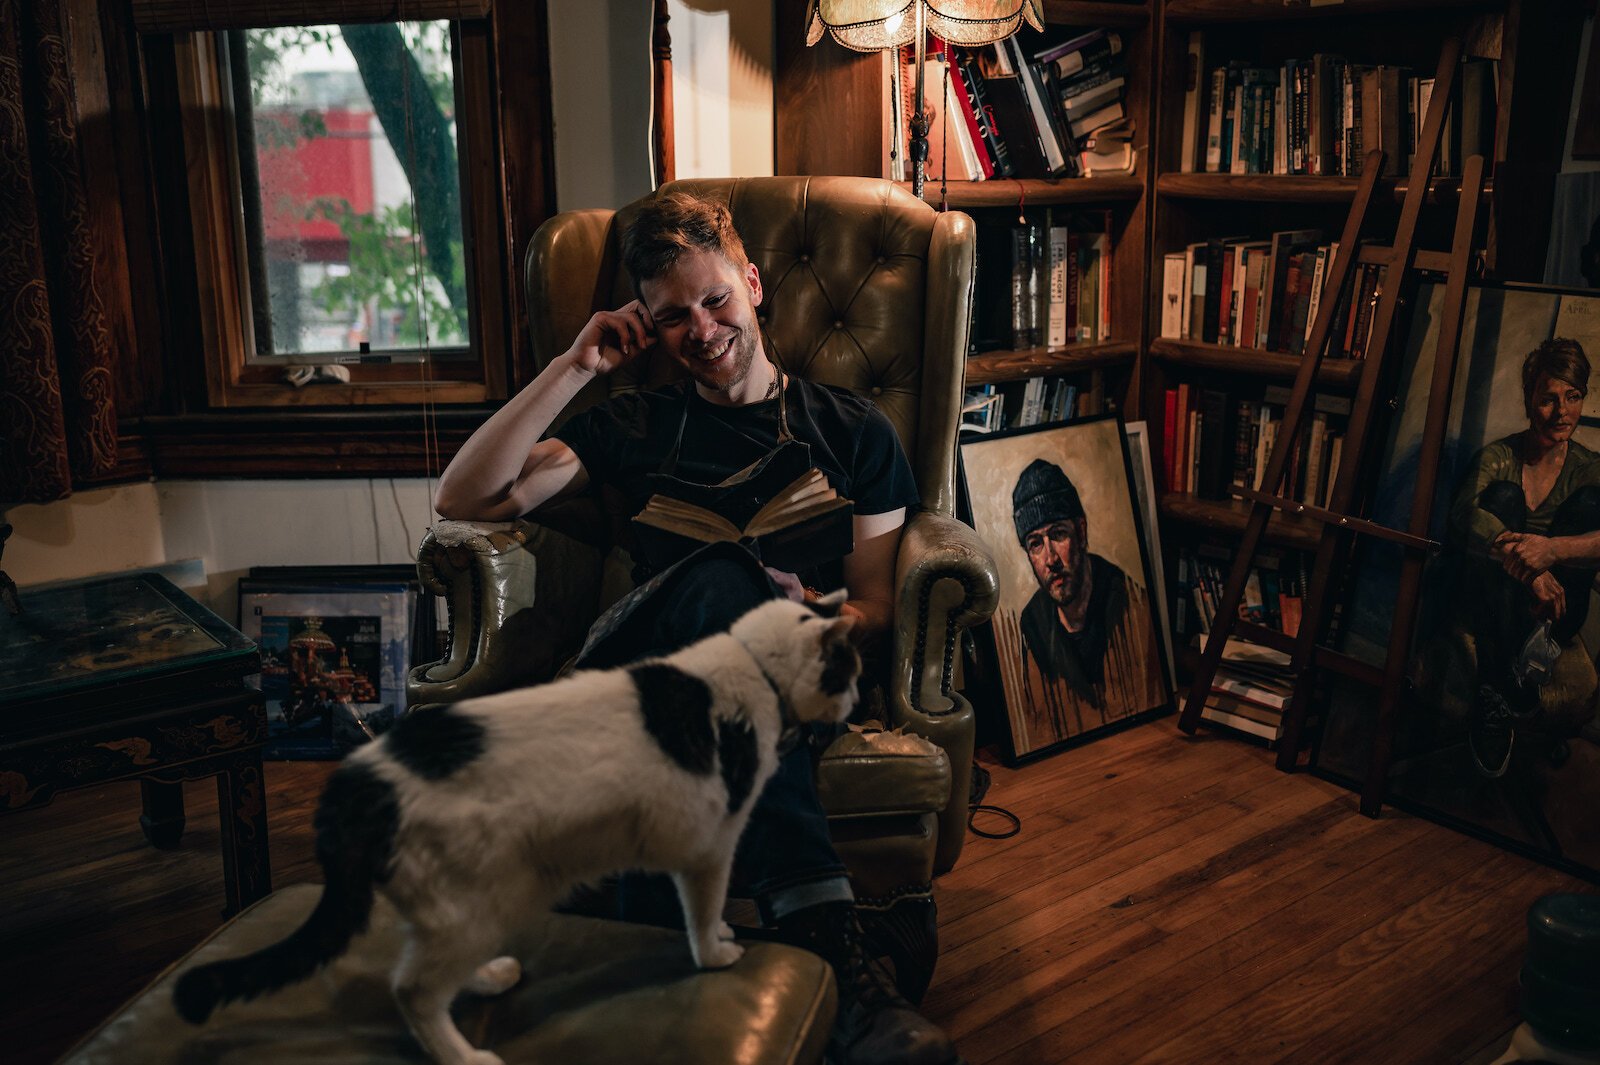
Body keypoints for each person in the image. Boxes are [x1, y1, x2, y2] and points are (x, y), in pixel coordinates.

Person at [434, 192, 958, 1065]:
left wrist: (815, 615)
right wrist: (575, 366)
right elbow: (466, 495)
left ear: (752, 283)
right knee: (721, 575)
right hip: (643, 663)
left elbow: (872, 607)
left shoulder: (855, 432)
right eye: (672, 316)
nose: (702, 329)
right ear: (646, 323)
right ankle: (836, 959)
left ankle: (640, 987)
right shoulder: (634, 425)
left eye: (716, 299)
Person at [1445, 338, 1600, 775]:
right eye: (1548, 398)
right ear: (1529, 398)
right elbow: (1460, 518)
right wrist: (1530, 570)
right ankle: (1504, 683)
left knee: (1591, 507)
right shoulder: (1499, 456)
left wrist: (1552, 550)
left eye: (1573, 397)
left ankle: (1501, 683)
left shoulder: (1590, 467)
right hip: (1494, 603)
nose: (1562, 411)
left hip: (1556, 609)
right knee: (1504, 497)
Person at [1011, 459, 1160, 717]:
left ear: (1081, 533)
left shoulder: (1130, 604)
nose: (1051, 559)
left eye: (1058, 535)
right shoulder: (1032, 624)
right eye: (1036, 543)